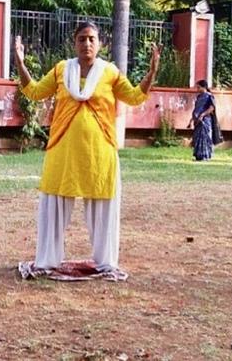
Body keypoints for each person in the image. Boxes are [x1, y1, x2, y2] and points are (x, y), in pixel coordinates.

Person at [14, 22, 161, 272]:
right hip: (63, 149)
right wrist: (19, 61)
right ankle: (48, 259)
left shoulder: (110, 72)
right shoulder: (62, 70)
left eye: (92, 39)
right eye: (82, 39)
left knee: (102, 204)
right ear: (75, 43)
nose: (87, 44)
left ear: (100, 43)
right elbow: (35, 92)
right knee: (54, 202)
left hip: (99, 151)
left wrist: (152, 73)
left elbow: (135, 96)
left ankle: (105, 261)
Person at [190, 79, 216, 161]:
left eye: (198, 87)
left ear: (204, 87)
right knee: (197, 137)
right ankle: (198, 156)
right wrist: (191, 119)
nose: (197, 89)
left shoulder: (209, 96)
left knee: (205, 137)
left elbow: (212, 108)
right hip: (197, 120)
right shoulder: (199, 97)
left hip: (205, 120)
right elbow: (196, 109)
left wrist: (203, 115)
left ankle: (205, 155)